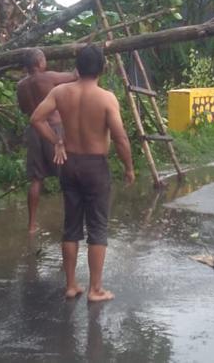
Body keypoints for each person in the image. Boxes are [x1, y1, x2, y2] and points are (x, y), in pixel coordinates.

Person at [31, 45, 135, 303]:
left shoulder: (60, 92)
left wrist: (57, 140)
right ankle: (95, 289)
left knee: (71, 226)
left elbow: (36, 119)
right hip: (94, 166)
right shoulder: (106, 98)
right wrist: (129, 167)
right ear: (102, 68)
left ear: (77, 67)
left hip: (69, 163)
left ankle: (71, 285)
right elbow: (121, 138)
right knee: (98, 227)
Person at [16, 48, 78, 233]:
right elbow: (75, 75)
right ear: (38, 63)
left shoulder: (21, 85)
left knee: (36, 179)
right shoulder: (48, 77)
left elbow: (23, 109)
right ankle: (72, 219)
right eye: (44, 59)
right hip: (54, 130)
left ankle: (31, 225)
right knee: (66, 176)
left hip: (34, 131)